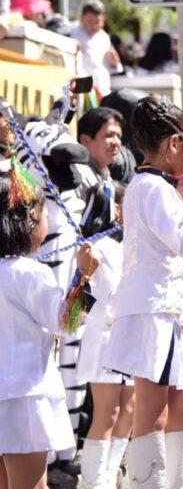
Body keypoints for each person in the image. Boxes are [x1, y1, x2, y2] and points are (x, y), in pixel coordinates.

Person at [101, 96, 183, 488]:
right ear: (173, 144)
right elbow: (181, 242)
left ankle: (173, 482)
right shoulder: (151, 186)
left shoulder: (153, 186)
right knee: (152, 412)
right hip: (153, 310)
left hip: (167, 309)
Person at [0, 164, 99, 489]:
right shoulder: (28, 273)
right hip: (24, 396)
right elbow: (64, 321)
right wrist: (83, 275)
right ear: (27, 221)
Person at [76, 182, 134, 489]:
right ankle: (92, 483)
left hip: (133, 334)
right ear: (117, 209)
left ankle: (110, 477)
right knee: (107, 413)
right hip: (107, 333)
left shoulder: (137, 243)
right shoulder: (98, 246)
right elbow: (104, 290)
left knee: (130, 410)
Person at [69, 0, 122, 94]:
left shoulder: (104, 37)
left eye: (97, 22)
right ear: (82, 18)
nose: (93, 26)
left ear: (103, 20)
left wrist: (114, 62)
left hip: (102, 88)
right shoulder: (73, 34)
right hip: (81, 88)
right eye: (90, 21)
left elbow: (114, 67)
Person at [77, 107, 124, 179]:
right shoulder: (78, 176)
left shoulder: (105, 173)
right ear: (85, 140)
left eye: (119, 136)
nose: (116, 142)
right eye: (109, 135)